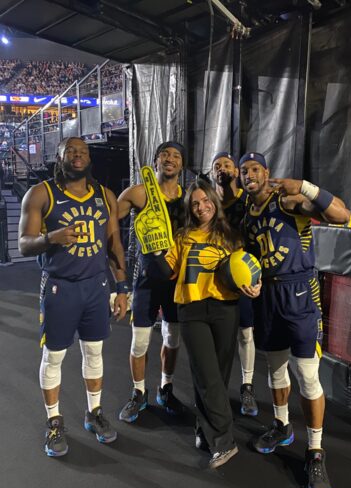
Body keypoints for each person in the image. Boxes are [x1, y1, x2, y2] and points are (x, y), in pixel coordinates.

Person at [239, 152, 351, 488]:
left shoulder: (286, 202)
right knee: (275, 370)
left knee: (307, 375)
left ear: (266, 172)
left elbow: (342, 214)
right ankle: (282, 426)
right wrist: (249, 282)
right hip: (268, 298)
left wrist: (304, 186)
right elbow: (250, 260)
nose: (248, 175)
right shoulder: (247, 216)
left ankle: (315, 451)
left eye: (254, 169)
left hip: (299, 293)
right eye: (243, 171)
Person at [18, 137, 128, 457]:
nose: (78, 156)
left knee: (94, 352)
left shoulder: (105, 195)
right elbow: (24, 244)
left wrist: (122, 288)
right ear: (60, 157)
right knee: (54, 356)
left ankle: (94, 413)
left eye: (83, 151)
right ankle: (54, 421)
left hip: (96, 286)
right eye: (71, 151)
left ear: (89, 158)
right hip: (60, 287)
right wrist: (51, 237)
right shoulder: (41, 194)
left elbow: (114, 244)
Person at [146, 178, 261, 468]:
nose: (201, 207)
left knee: (217, 377)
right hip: (192, 308)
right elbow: (167, 271)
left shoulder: (232, 236)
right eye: (195, 203)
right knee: (206, 374)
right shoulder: (183, 236)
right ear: (190, 208)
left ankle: (204, 429)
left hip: (226, 308)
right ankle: (224, 441)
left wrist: (255, 285)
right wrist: (154, 249)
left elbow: (248, 270)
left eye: (206, 200)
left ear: (214, 201)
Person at [117, 142, 186, 423]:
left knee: (172, 339)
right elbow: (106, 221)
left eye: (176, 155)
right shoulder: (139, 193)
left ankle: (165, 388)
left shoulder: (189, 198)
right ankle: (138, 393)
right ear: (155, 161)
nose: (170, 159)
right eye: (164, 154)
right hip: (146, 278)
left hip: (176, 280)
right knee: (140, 342)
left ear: (181, 165)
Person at [211, 152, 258, 416]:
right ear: (212, 172)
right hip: (214, 278)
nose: (222, 168)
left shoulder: (248, 200)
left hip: (241, 277)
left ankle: (247, 387)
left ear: (236, 171)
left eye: (227, 164)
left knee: (245, 332)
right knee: (217, 335)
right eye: (217, 165)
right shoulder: (207, 203)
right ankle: (217, 389)